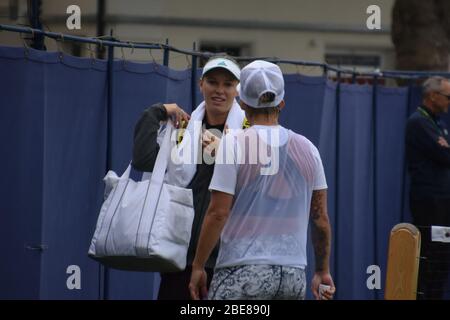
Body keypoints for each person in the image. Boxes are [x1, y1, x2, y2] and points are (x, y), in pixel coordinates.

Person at [189, 60, 335, 300]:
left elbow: (217, 213)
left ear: (243, 103)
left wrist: (198, 266)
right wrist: (322, 270)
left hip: (241, 270)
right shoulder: (309, 149)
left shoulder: (233, 145)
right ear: (282, 102)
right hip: (293, 274)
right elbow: (320, 218)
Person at [132, 55, 247, 300]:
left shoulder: (249, 133)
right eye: (213, 82)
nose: (219, 90)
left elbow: (261, 187)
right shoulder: (185, 130)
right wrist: (158, 112)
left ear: (238, 90)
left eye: (228, 84)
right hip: (182, 258)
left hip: (231, 260)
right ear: (200, 84)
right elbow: (143, 161)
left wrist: (226, 152)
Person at [405, 76, 450, 300]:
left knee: (442, 256)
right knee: (430, 257)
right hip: (429, 204)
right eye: (448, 97)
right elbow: (444, 154)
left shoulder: (438, 123)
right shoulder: (418, 122)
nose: (449, 102)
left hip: (442, 203)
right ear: (433, 96)